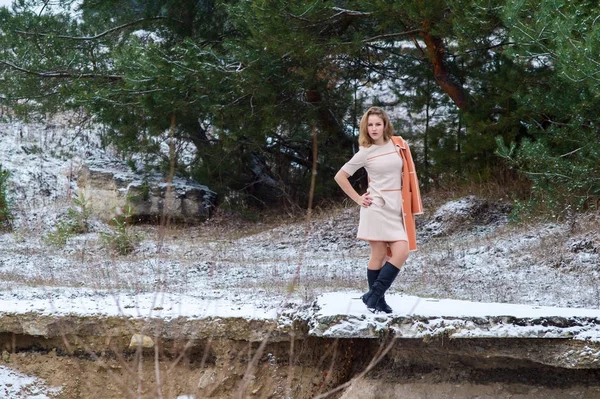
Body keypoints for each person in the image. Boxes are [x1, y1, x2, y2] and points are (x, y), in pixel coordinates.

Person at [334, 106, 423, 313]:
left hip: (396, 207)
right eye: (370, 125)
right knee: (379, 254)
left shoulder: (398, 145)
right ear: (366, 127)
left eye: (378, 124)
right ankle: (378, 299)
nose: (374, 128)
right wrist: (358, 199)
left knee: (401, 251)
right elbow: (340, 176)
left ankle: (372, 296)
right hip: (376, 207)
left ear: (385, 126)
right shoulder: (365, 152)